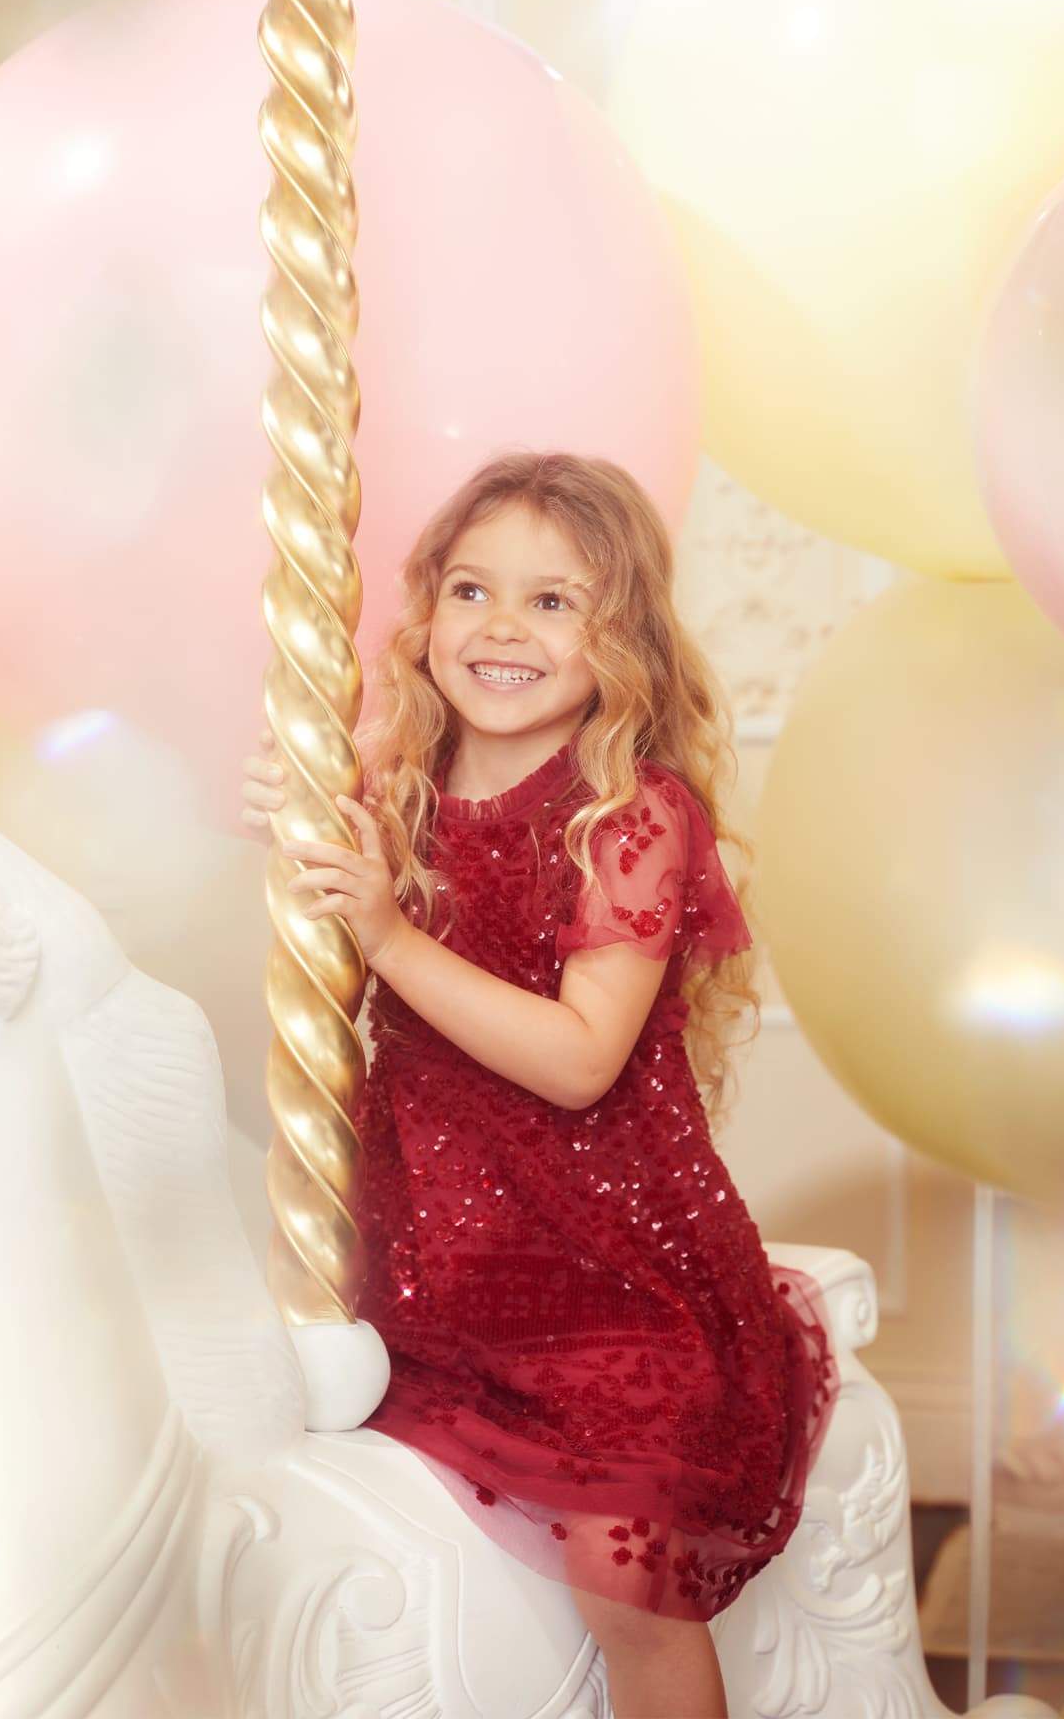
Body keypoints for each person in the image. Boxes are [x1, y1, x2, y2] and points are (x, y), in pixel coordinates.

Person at [241, 451, 840, 1719]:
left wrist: (387, 933)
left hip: (609, 1279)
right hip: (433, 1267)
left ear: (621, 640)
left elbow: (577, 1060)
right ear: (427, 612)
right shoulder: (391, 795)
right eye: (471, 589)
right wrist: (300, 832)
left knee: (627, 1584)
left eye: (552, 601)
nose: (502, 627)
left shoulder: (628, 815)